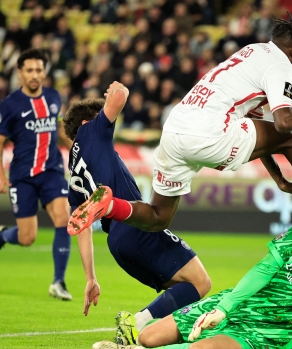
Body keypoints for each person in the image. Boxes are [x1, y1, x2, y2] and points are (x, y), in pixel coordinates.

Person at [68, 18, 292, 246]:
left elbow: (260, 126)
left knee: (158, 215)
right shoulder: (281, 64)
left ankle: (108, 206)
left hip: (175, 127)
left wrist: (279, 178)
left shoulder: (253, 52)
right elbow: (283, 125)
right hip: (209, 128)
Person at [92, 214, 292, 349]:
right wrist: (224, 308)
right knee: (148, 338)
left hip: (262, 337)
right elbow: (265, 269)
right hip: (233, 305)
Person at [62, 82, 212, 345]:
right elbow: (120, 95)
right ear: (86, 122)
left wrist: (91, 278)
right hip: (134, 224)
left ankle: (151, 337)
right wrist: (113, 90)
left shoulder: (73, 171)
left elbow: (80, 226)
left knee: (180, 289)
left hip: (117, 244)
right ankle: (136, 323)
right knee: (201, 282)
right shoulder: (91, 132)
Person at [0, 49, 74, 300]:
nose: (35, 75)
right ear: (20, 73)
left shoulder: (54, 97)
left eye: (39, 70)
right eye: (30, 70)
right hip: (22, 176)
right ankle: (2, 235)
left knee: (63, 217)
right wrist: (1, 177)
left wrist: (78, 152)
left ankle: (58, 281)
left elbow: (62, 131)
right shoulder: (10, 104)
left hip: (52, 171)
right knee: (27, 237)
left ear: (45, 72)